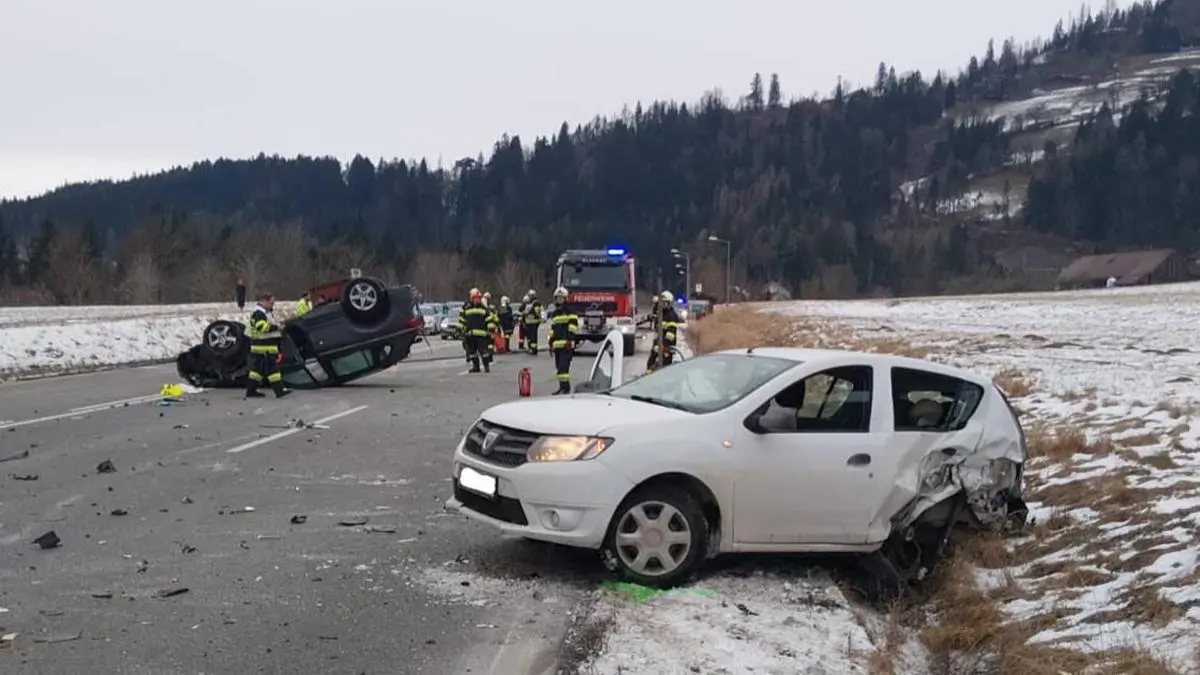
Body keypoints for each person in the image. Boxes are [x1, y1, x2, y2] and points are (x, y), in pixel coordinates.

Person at [245, 293, 291, 398]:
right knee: (272, 370)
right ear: (263, 301)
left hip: (264, 348)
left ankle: (251, 391)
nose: (272, 305)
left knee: (257, 371)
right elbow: (262, 327)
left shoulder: (266, 313)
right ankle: (279, 390)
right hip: (263, 348)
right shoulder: (258, 314)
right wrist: (277, 327)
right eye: (271, 303)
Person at [547, 286, 579, 394]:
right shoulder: (555, 313)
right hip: (557, 345)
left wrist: (570, 339)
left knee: (563, 368)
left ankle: (566, 388)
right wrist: (550, 342)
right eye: (557, 297)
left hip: (566, 345)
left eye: (561, 298)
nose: (559, 299)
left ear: (565, 298)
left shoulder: (570, 311)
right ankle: (562, 387)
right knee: (559, 369)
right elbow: (553, 329)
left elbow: (573, 326)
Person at [644, 290, 682, 372]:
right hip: (658, 343)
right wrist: (651, 317)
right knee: (650, 362)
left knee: (665, 366)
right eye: (661, 302)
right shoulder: (661, 313)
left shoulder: (672, 315)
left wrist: (663, 345)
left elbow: (671, 334)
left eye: (665, 303)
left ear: (669, 303)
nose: (662, 304)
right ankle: (648, 376)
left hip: (667, 346)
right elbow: (656, 319)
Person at [458, 288, 492, 373]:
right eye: (475, 298)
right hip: (470, 335)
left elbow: (489, 319)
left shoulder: (483, 308)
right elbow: (462, 320)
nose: (477, 300)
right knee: (472, 352)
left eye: (478, 298)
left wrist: (490, 328)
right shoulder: (466, 308)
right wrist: (459, 329)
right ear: (471, 298)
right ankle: (476, 367)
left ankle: (486, 366)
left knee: (483, 352)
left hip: (482, 335)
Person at [521, 289, 543, 355]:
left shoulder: (536, 303)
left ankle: (533, 349)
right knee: (529, 337)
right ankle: (531, 348)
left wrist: (529, 313)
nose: (530, 297)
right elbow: (524, 311)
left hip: (534, 322)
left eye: (531, 296)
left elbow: (537, 312)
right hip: (528, 322)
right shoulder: (529, 303)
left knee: (533, 337)